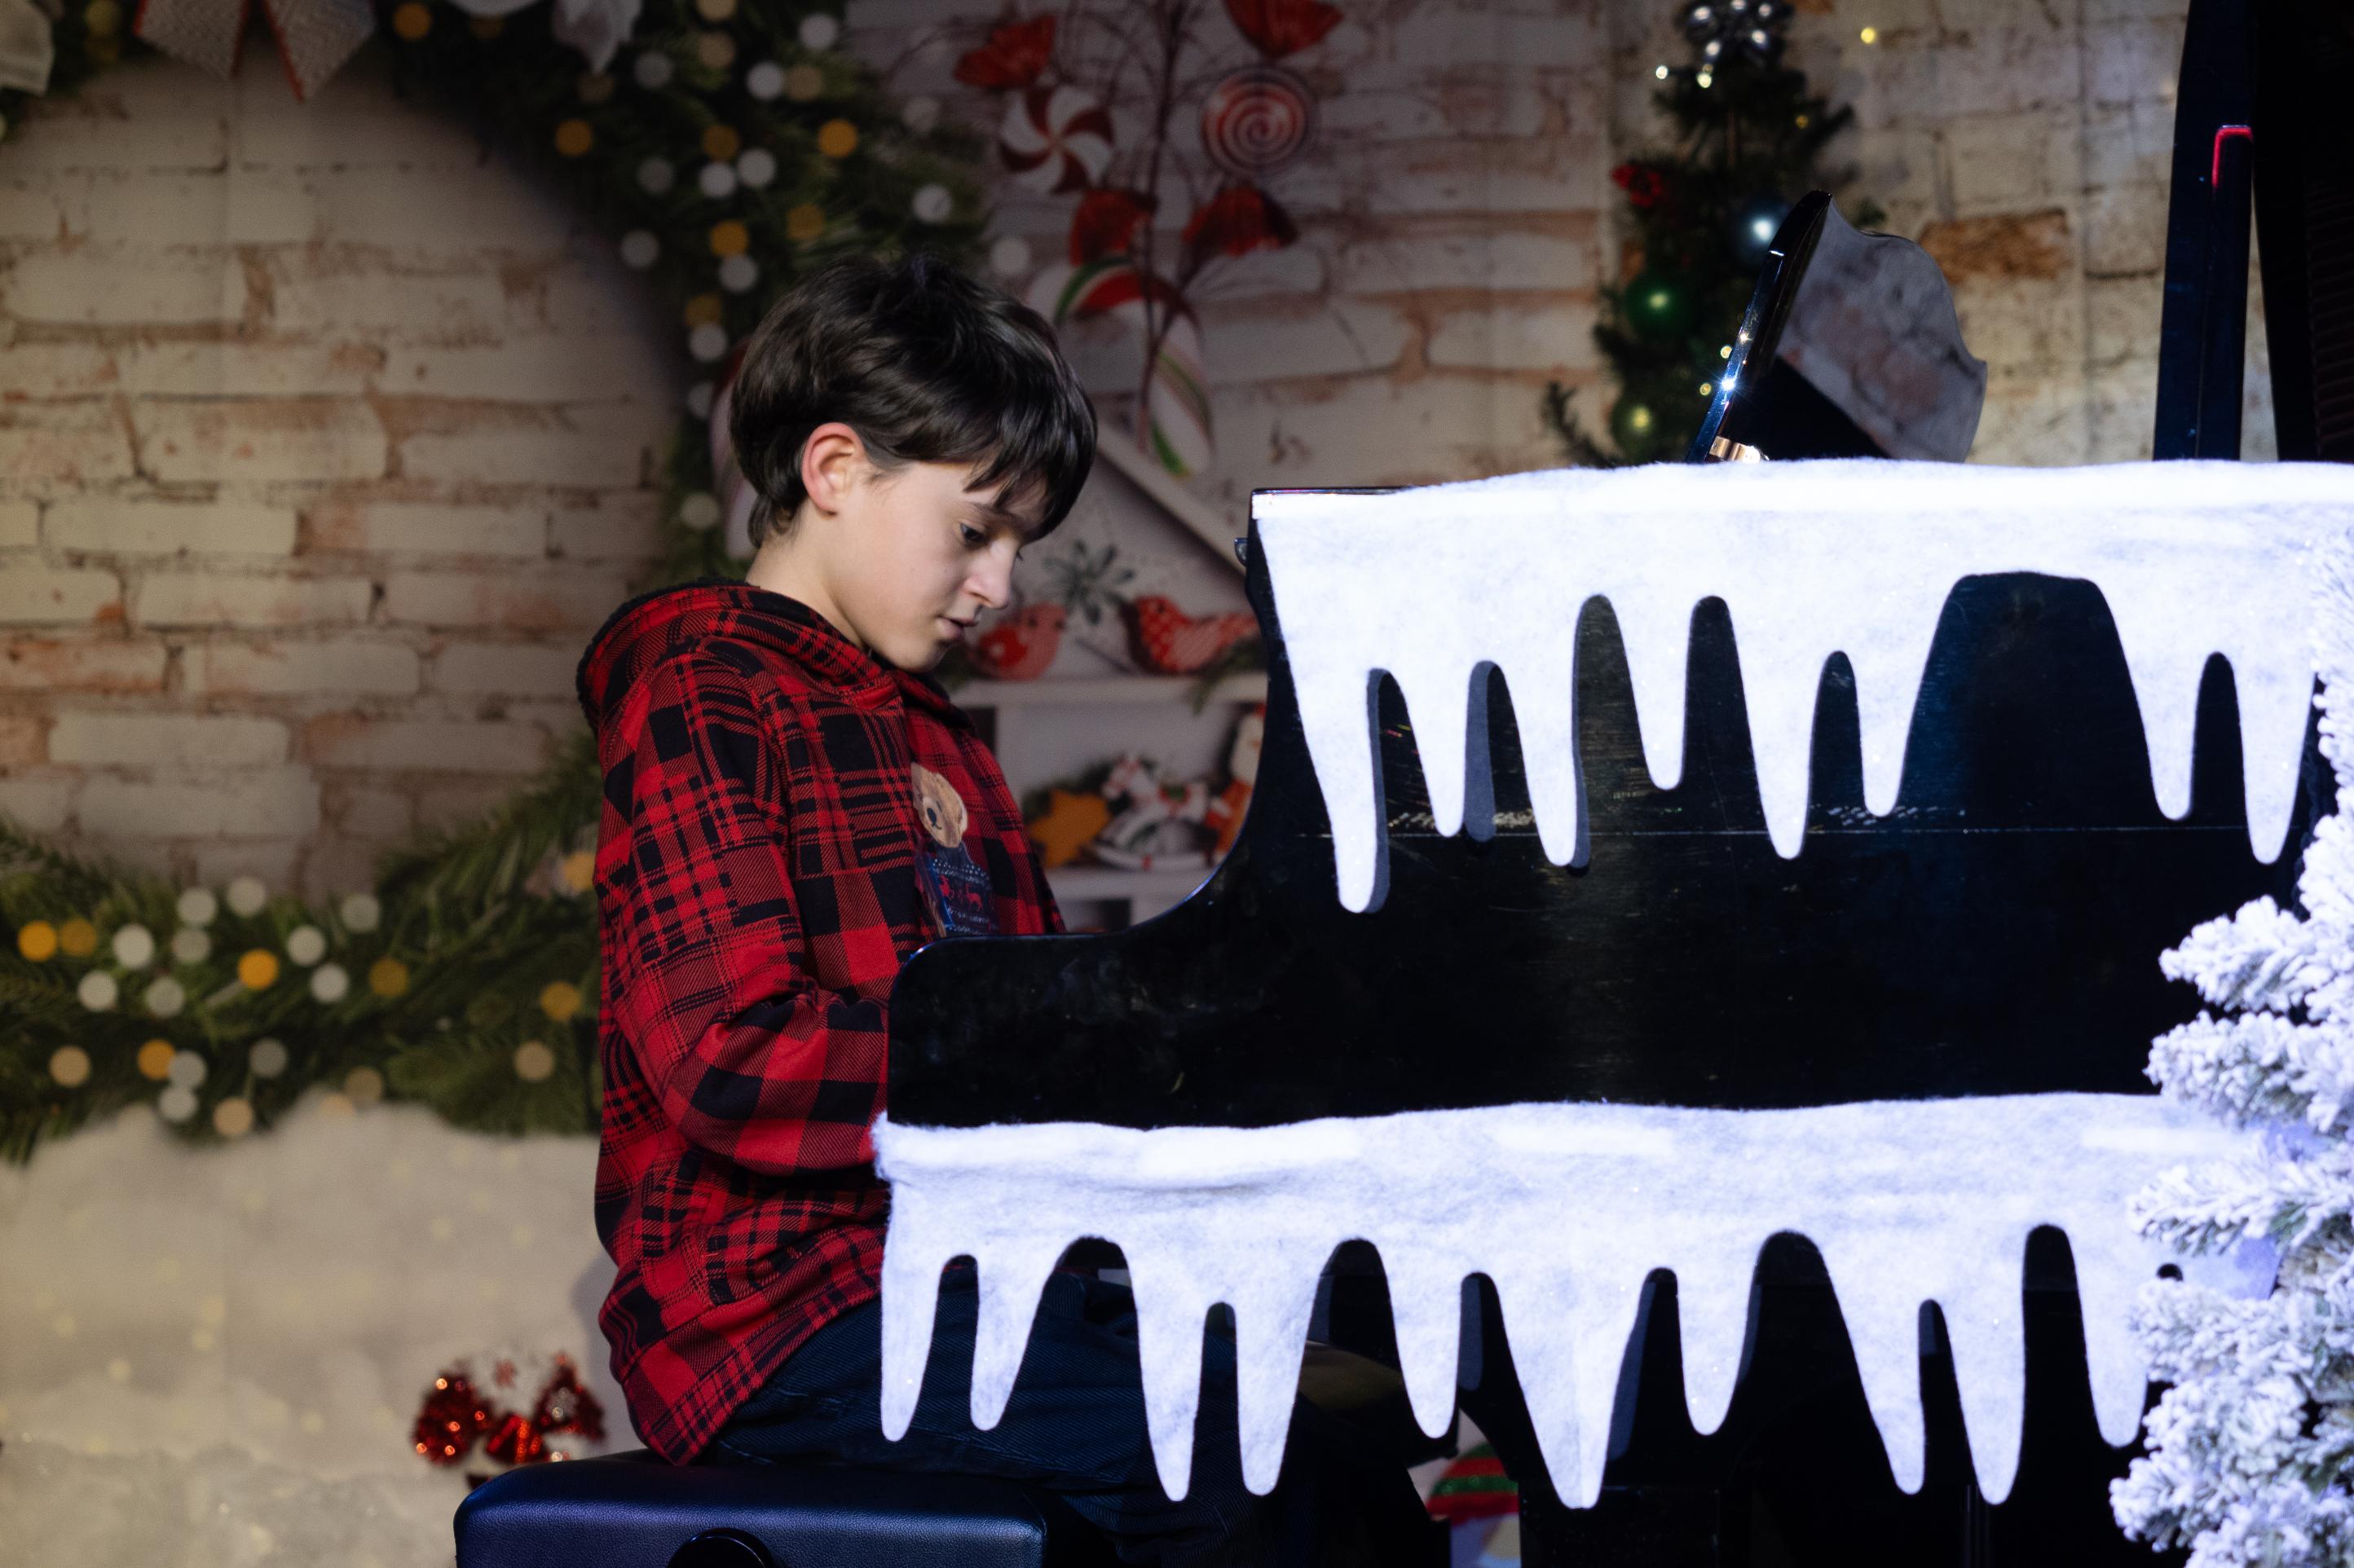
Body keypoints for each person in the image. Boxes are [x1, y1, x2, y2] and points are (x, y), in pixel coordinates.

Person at [575, 253, 1435, 1565]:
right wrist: (1057, 1045)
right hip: (777, 1315)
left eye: (1019, 546)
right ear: (834, 470)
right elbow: (731, 1058)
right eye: (975, 531)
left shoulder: (946, 742)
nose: (1002, 587)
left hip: (962, 1284)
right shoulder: (701, 683)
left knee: (1351, 1446)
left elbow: (1041, 1037)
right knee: (1263, 1487)